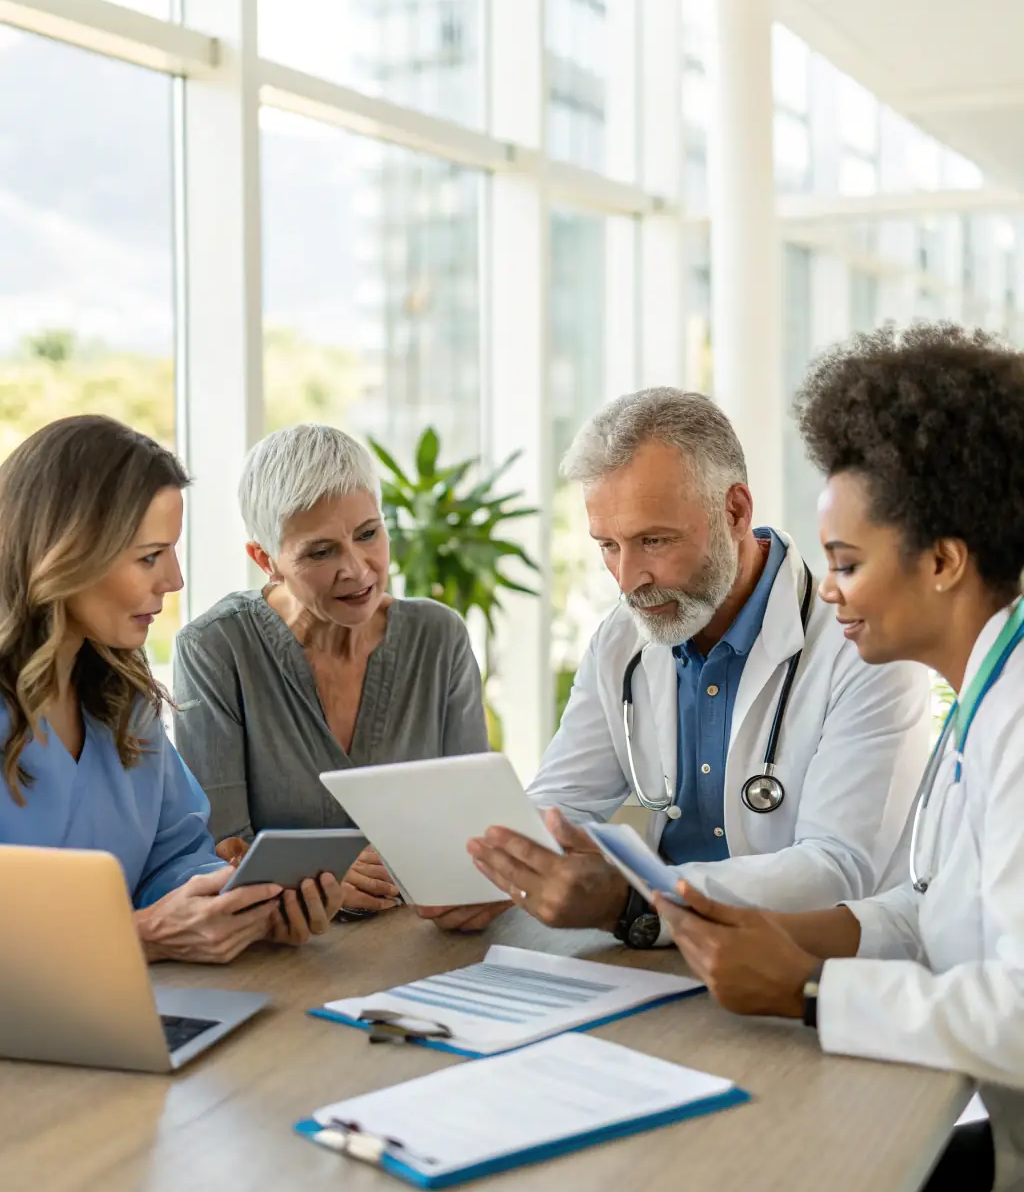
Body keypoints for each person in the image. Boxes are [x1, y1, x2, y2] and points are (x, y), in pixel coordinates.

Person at [654, 323, 1024, 1192]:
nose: (830, 594)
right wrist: (796, 936)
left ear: (943, 561)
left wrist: (811, 990)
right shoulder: (983, 691)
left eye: (849, 562)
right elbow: (937, 904)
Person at [466, 387, 931, 946]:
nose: (627, 577)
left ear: (735, 510)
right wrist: (491, 871)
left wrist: (638, 897)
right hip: (654, 958)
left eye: (653, 540)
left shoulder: (865, 646)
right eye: (608, 545)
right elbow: (561, 805)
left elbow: (836, 869)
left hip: (802, 966)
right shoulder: (623, 638)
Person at [174, 422, 491, 936]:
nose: (358, 570)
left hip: (430, 937)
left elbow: (472, 821)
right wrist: (327, 879)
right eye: (320, 552)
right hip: (285, 954)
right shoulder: (215, 649)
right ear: (266, 560)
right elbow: (219, 852)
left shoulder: (439, 637)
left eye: (368, 534)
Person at [0, 414, 290, 964]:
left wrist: (243, 906)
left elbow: (174, 856)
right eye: (150, 556)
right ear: (65, 553)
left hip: (127, 1014)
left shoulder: (123, 698)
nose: (174, 579)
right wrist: (138, 937)